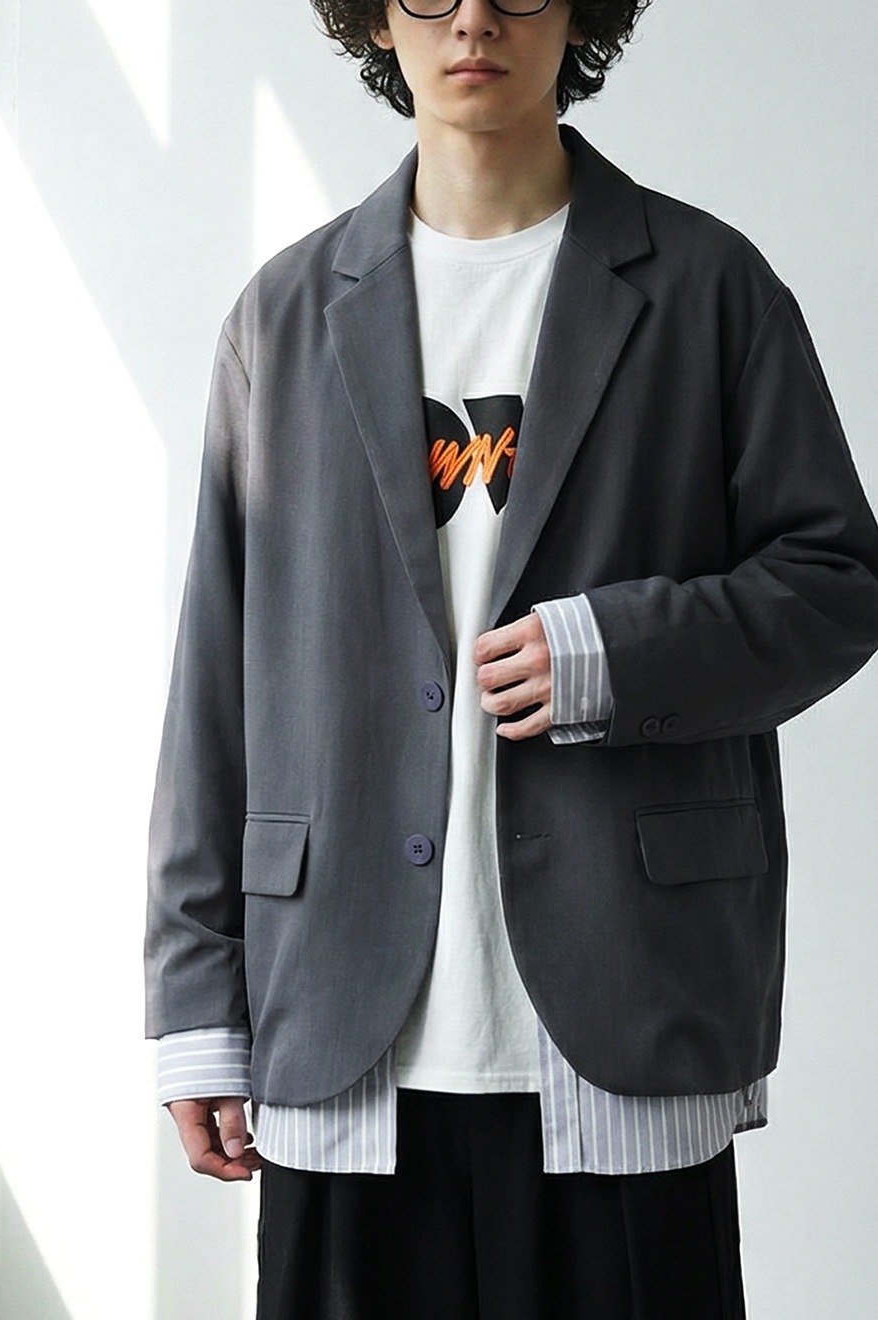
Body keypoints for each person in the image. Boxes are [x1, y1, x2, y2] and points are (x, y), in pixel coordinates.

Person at [144, 2, 878, 1316]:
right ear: (376, 16)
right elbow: (217, 679)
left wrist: (618, 655)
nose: (474, 16)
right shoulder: (285, 318)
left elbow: (837, 584)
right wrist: (199, 996)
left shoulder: (708, 288)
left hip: (628, 1017)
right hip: (340, 1021)